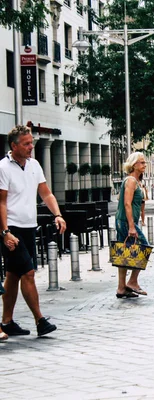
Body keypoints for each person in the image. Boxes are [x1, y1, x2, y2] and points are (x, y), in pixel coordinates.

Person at [0, 125, 66, 337]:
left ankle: (7, 321)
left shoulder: (35, 165)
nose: (31, 147)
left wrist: (58, 214)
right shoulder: (3, 167)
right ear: (14, 145)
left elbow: (46, 194)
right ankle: (40, 320)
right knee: (28, 272)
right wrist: (5, 232)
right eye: (27, 143)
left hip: (29, 227)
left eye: (32, 142)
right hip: (12, 229)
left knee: (13, 275)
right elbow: (0, 202)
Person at [114, 152, 150, 298]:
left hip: (126, 221)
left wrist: (140, 218)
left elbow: (139, 203)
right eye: (142, 162)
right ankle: (133, 281)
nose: (144, 165)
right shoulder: (130, 181)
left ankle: (121, 288)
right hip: (125, 221)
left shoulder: (136, 181)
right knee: (144, 247)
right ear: (134, 164)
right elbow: (127, 204)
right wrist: (131, 226)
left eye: (144, 162)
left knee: (123, 253)